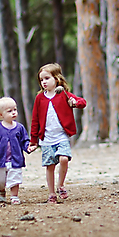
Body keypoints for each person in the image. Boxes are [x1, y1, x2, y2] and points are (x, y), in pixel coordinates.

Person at [30, 63, 87, 204]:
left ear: (56, 79)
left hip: (61, 136)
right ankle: (51, 193)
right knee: (50, 166)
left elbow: (82, 102)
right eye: (41, 79)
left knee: (64, 159)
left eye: (47, 78)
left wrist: (74, 103)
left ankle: (60, 185)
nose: (44, 82)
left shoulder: (63, 94)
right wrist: (34, 140)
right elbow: (35, 120)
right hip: (46, 139)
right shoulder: (39, 98)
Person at [0, 96, 36, 205]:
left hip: (15, 160)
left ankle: (14, 196)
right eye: (9, 111)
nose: (13, 112)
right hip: (0, 160)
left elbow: (24, 140)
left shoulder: (20, 128)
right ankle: (2, 192)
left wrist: (28, 147)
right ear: (1, 115)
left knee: (15, 178)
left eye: (15, 109)